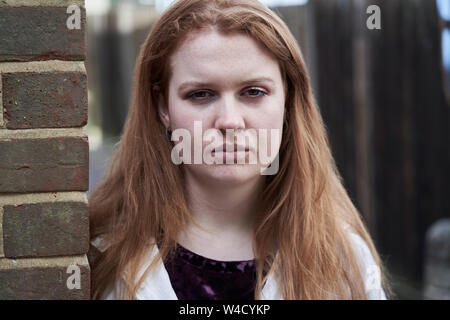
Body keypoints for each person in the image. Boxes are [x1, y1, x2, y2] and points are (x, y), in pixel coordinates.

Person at [88, 0, 392, 300]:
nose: (230, 122)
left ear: (288, 100)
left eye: (254, 92)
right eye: (201, 94)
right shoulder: (98, 258)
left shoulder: (345, 261)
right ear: (162, 105)